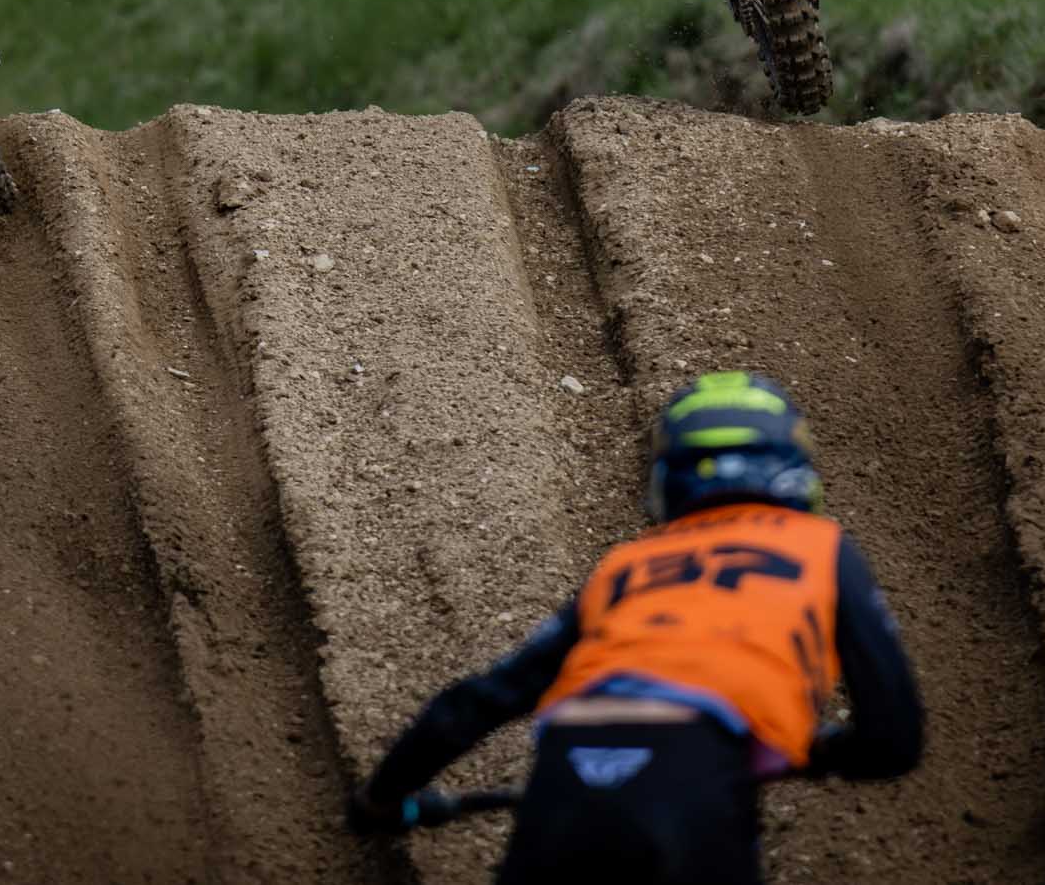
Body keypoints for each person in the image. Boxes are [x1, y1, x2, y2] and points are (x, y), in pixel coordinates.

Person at [348, 372, 923, 884]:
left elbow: (485, 697)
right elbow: (893, 741)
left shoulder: (629, 567)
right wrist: (814, 749)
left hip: (566, 779)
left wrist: (382, 796)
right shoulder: (822, 550)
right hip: (696, 780)